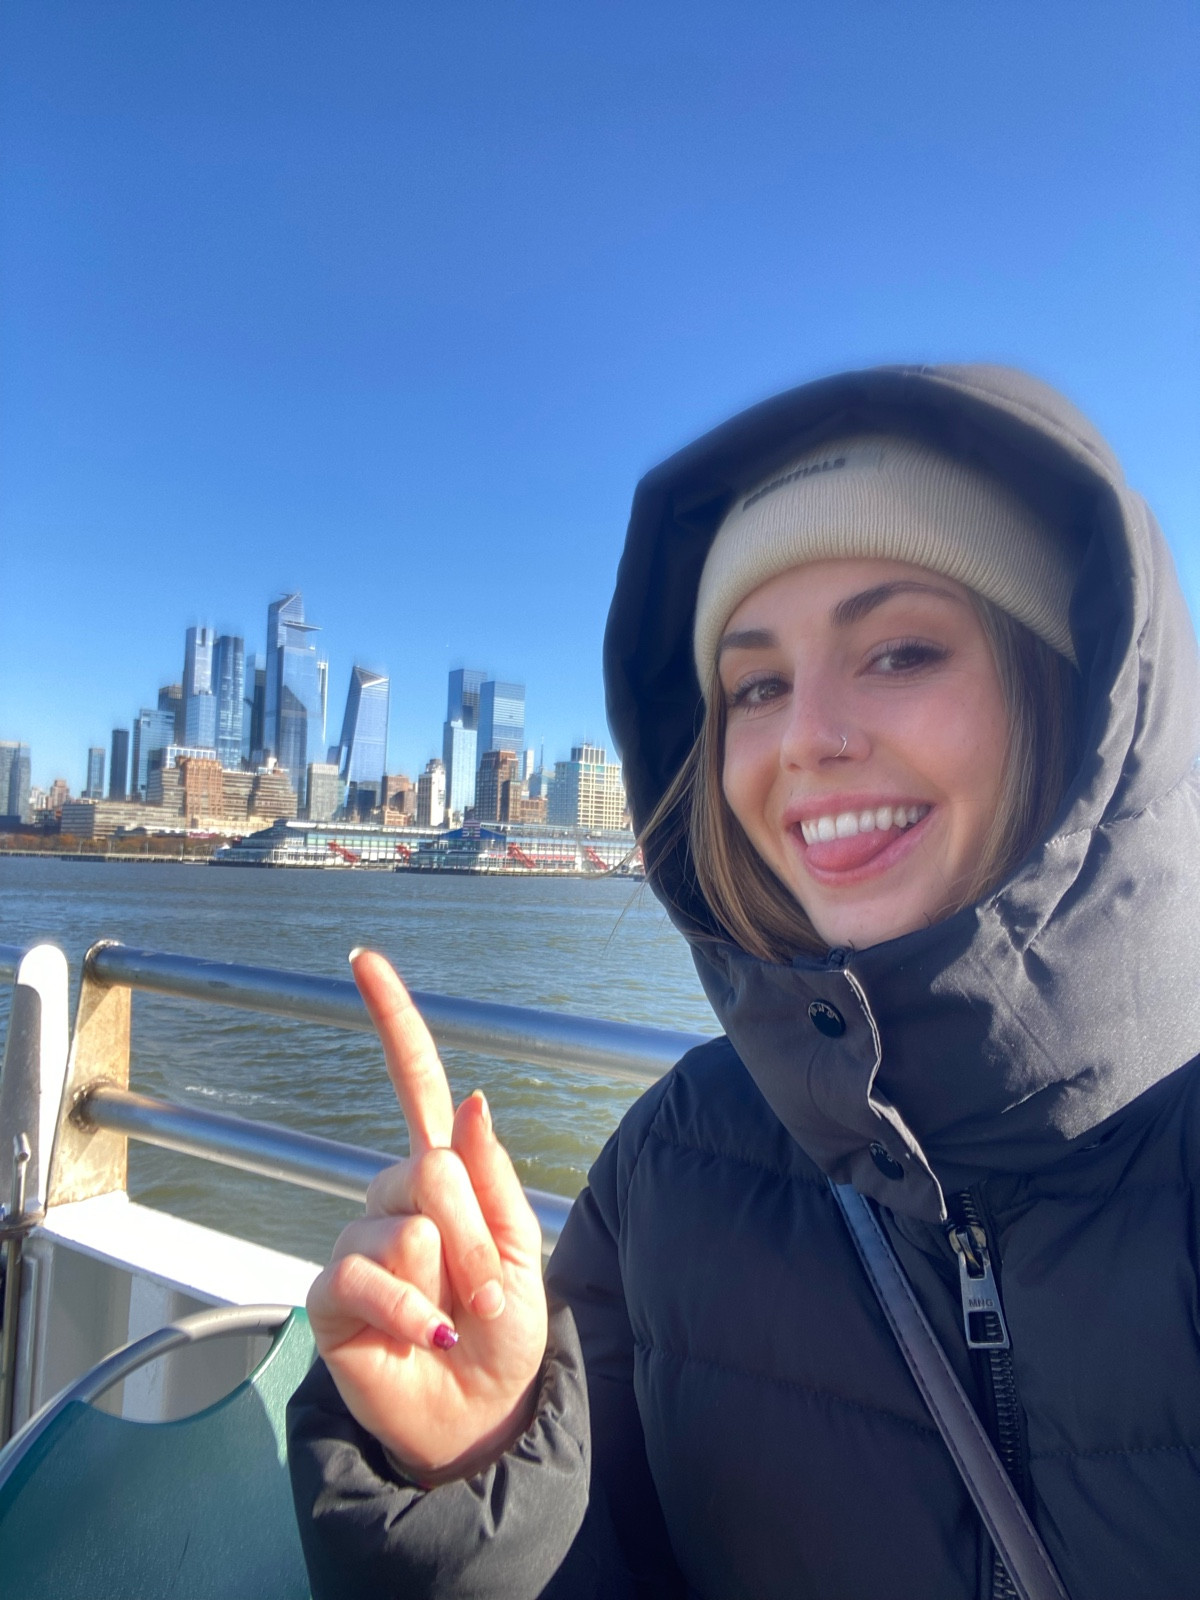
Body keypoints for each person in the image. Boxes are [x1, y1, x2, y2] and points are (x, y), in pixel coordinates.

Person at [287, 363, 1200, 1600]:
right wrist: (482, 1465)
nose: (806, 738)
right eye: (756, 684)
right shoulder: (669, 1164)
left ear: (1074, 694)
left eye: (900, 651)